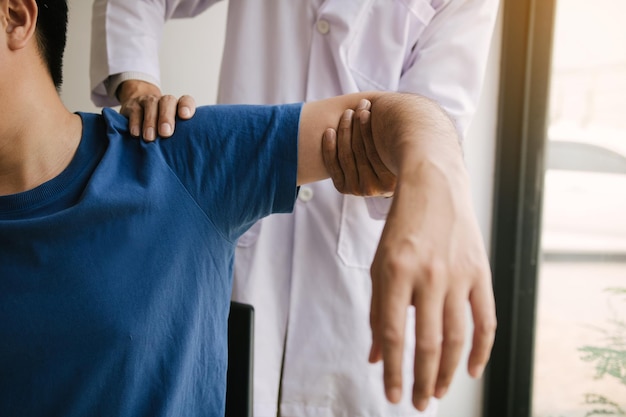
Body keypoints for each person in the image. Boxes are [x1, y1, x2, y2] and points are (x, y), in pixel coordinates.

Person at [90, 1, 499, 415]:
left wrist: (426, 179)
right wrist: (139, 86)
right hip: (242, 264)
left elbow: (433, 124)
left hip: (355, 292)